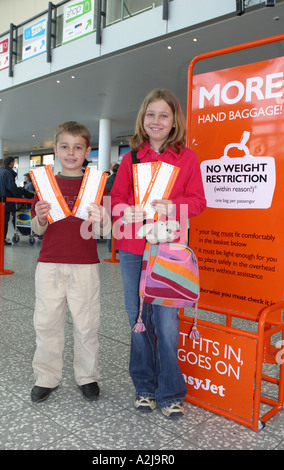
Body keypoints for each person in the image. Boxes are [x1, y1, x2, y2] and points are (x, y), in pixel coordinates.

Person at [110, 89, 206, 419]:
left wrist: (174, 206)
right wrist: (126, 211)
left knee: (166, 322)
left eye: (164, 115)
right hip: (133, 248)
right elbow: (116, 201)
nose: (156, 121)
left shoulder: (187, 158)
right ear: (142, 119)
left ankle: (170, 392)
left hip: (168, 251)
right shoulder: (130, 158)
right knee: (137, 319)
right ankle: (144, 388)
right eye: (150, 114)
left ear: (174, 120)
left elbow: (198, 203)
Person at [30, 121, 110, 403]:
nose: (71, 152)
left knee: (87, 323)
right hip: (49, 263)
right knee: (47, 322)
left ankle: (87, 376)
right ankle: (46, 377)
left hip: (85, 264)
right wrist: (39, 217)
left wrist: (102, 220)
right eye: (64, 147)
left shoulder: (96, 185)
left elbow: (104, 232)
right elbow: (38, 229)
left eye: (78, 147)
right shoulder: (45, 185)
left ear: (87, 151)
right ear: (55, 150)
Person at [0, 156, 32, 245]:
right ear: (11, 163)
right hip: (5, 202)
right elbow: (11, 188)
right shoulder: (8, 173)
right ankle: (2, 239)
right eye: (13, 162)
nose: (14, 164)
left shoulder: (0, 172)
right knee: (4, 221)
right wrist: (19, 193)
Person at [105, 163, 119, 251]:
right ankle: (115, 246)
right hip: (118, 204)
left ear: (111, 169)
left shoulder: (107, 179)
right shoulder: (122, 179)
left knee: (110, 225)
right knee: (118, 225)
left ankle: (110, 246)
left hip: (107, 203)